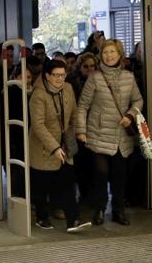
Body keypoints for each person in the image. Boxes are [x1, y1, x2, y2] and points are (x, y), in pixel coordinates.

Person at [75, 39, 143, 226]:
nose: (108, 55)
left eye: (112, 52)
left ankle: (118, 210)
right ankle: (100, 208)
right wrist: (81, 130)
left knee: (119, 176)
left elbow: (138, 101)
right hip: (98, 134)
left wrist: (130, 115)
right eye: (105, 52)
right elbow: (82, 106)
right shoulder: (94, 77)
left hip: (121, 135)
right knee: (101, 173)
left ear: (119, 54)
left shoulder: (129, 77)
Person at [29, 60, 91, 233]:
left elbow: (75, 112)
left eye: (62, 75)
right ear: (47, 76)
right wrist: (54, 148)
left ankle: (73, 220)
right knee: (42, 186)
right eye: (56, 75)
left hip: (65, 143)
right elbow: (38, 125)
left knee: (67, 183)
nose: (59, 79)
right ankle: (42, 217)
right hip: (43, 147)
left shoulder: (68, 89)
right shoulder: (38, 95)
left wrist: (79, 131)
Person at [66, 52, 98, 204]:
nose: (90, 69)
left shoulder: (101, 81)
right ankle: (85, 195)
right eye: (86, 66)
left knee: (96, 165)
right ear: (80, 67)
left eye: (93, 66)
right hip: (79, 127)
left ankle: (94, 196)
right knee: (81, 164)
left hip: (97, 127)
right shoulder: (72, 83)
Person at [7, 64, 32, 198]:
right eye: (22, 77)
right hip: (17, 138)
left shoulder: (31, 92)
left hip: (28, 136)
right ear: (15, 77)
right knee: (19, 171)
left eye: (28, 77)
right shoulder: (13, 92)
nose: (27, 80)